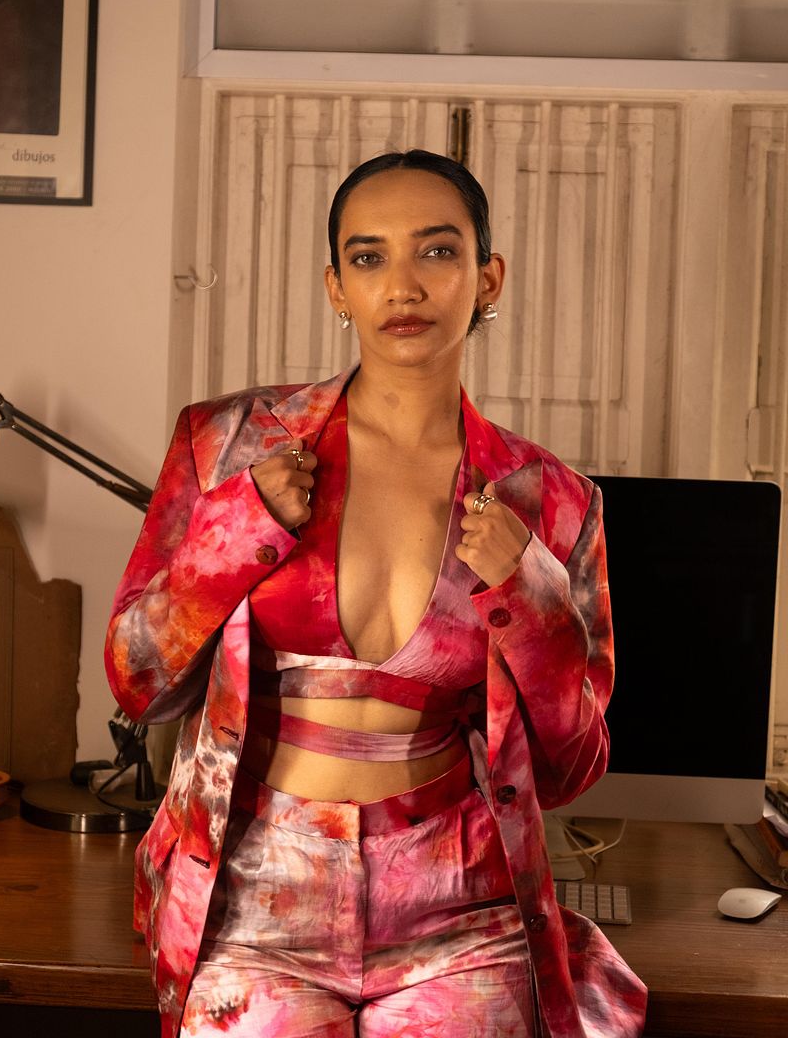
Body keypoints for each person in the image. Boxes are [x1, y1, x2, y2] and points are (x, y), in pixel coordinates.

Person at [106, 150, 647, 1038]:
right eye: (369, 257)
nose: (403, 285)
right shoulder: (228, 446)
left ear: (487, 278)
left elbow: (569, 769)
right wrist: (239, 530)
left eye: (437, 251)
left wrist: (532, 592)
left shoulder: (551, 502)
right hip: (254, 904)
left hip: (458, 910)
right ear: (337, 286)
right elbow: (139, 682)